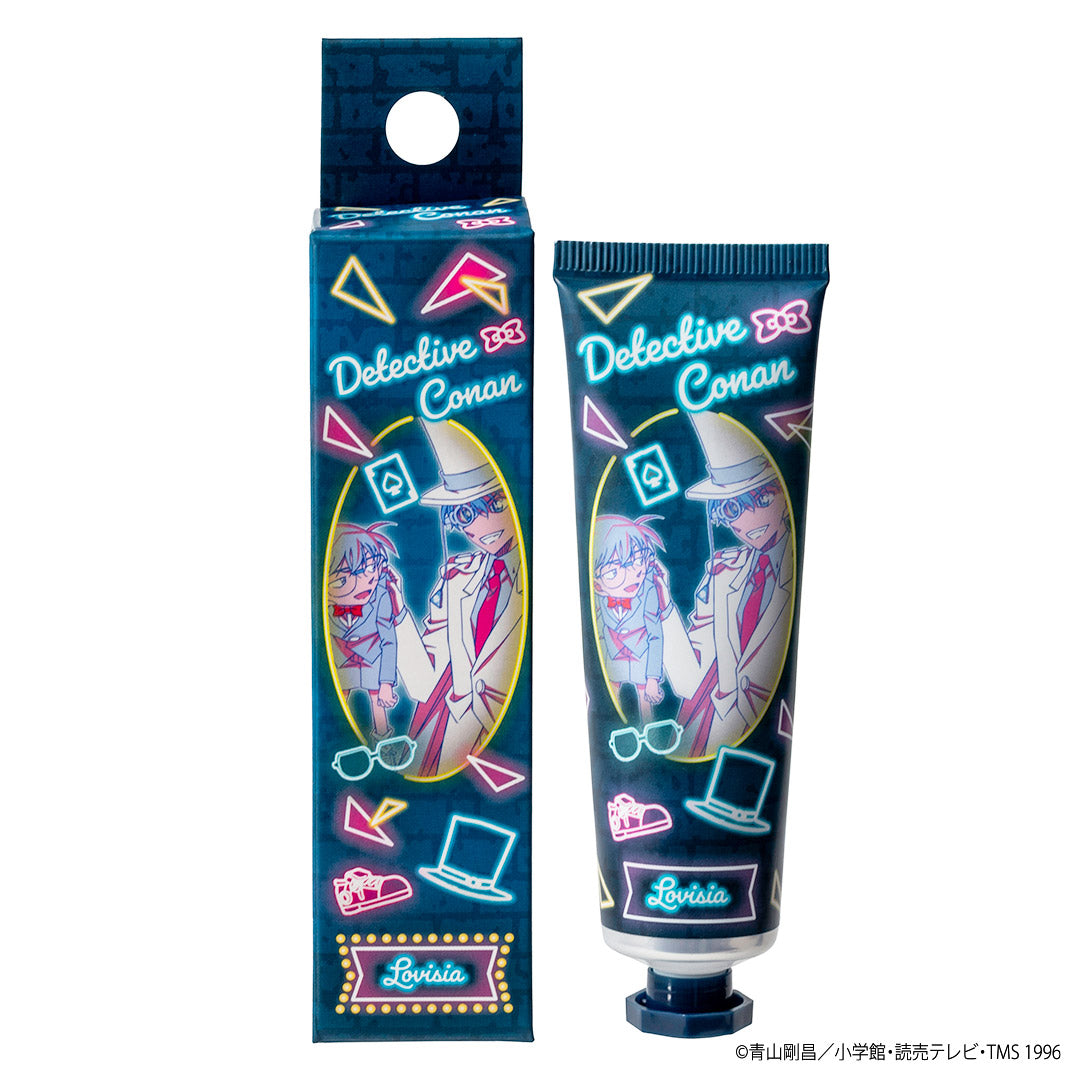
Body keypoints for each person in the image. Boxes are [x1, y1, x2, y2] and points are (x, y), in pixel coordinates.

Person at [661, 410, 794, 758]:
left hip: (766, 739)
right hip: (709, 732)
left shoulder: (797, 562)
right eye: (733, 510)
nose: (749, 521)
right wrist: (663, 609)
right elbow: (689, 678)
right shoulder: (723, 575)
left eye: (762, 500)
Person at [399, 419, 525, 778]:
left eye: (496, 504)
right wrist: (397, 615)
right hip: (451, 744)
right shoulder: (458, 581)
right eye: (467, 514)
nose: (482, 527)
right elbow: (423, 682)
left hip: (513, 741)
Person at [327, 522, 400, 740]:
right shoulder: (322, 600)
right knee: (337, 707)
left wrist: (386, 683)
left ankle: (385, 745)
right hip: (340, 662)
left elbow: (389, 640)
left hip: (372, 658)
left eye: (370, 569)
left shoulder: (381, 595)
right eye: (343, 579)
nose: (366, 582)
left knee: (379, 707)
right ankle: (336, 743)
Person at [592, 514, 667, 721]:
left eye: (639, 561)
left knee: (647, 710)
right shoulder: (598, 596)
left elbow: (655, 635)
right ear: (597, 582)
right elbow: (598, 632)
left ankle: (651, 736)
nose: (634, 573)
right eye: (614, 571)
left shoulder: (648, 589)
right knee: (611, 707)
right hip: (613, 659)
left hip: (641, 657)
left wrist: (653, 678)